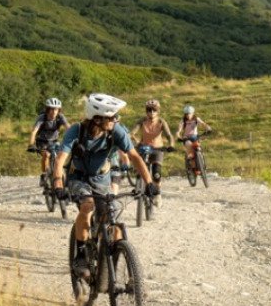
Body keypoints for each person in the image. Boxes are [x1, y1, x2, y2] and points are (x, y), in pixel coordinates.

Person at [51, 93, 158, 277]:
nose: (115, 120)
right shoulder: (76, 131)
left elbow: (134, 157)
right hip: (79, 178)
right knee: (87, 206)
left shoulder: (116, 131)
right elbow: (60, 160)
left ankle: (118, 266)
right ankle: (82, 254)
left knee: (114, 220)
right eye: (111, 117)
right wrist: (58, 184)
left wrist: (149, 183)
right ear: (97, 118)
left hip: (102, 179)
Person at [130, 99, 175, 205]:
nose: (151, 113)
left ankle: (158, 194)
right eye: (149, 110)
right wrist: (131, 141)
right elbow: (132, 132)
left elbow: (169, 135)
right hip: (143, 148)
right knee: (140, 169)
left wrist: (171, 145)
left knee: (156, 174)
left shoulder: (161, 122)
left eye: (154, 110)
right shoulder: (142, 121)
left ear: (158, 111)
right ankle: (139, 186)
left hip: (157, 149)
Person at [27, 98, 69, 186]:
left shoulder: (60, 117)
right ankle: (44, 175)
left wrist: (74, 137)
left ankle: (60, 175)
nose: (54, 112)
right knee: (46, 155)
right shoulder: (42, 118)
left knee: (60, 156)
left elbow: (68, 128)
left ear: (59, 110)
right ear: (48, 109)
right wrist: (31, 144)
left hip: (54, 141)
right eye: (52, 109)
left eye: (56, 109)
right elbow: (34, 131)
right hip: (42, 142)